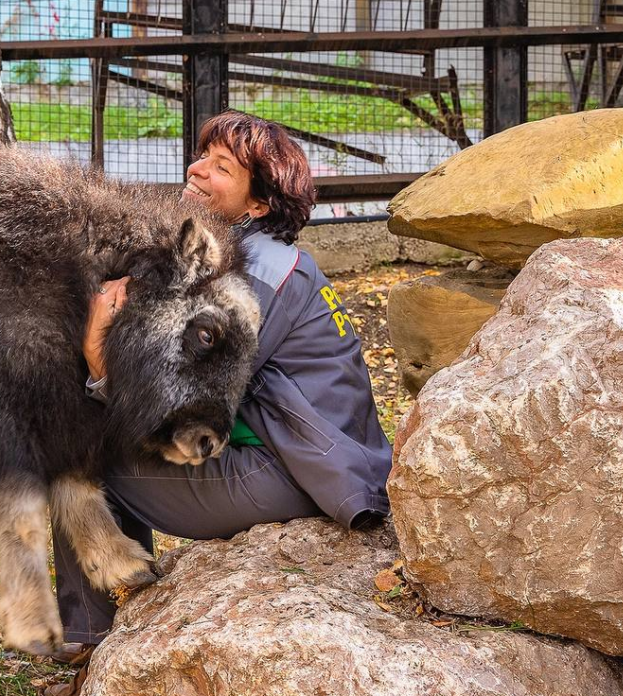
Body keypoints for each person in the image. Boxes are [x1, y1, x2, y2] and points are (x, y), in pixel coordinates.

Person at [47, 111, 392, 694]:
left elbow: (178, 405)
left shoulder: (257, 277)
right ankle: (108, 621)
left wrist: (96, 361)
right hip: (301, 461)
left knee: (66, 452)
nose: (196, 169)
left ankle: (90, 641)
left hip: (291, 473)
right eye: (201, 155)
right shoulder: (255, 259)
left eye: (221, 167)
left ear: (257, 206)